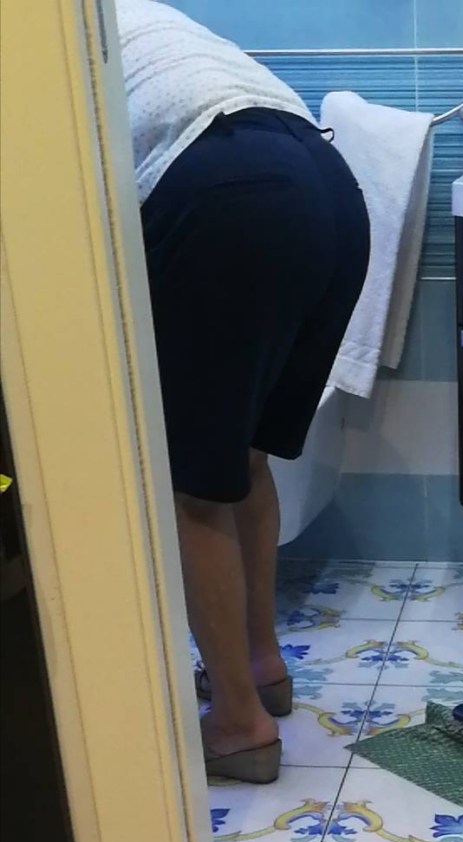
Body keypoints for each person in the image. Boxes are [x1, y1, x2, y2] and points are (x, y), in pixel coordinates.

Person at [115, 0, 370, 782]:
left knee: (190, 483)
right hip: (328, 187)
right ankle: (261, 667)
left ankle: (235, 721)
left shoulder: (36, 40)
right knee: (243, 458)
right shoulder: (129, 17)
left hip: (230, 189)